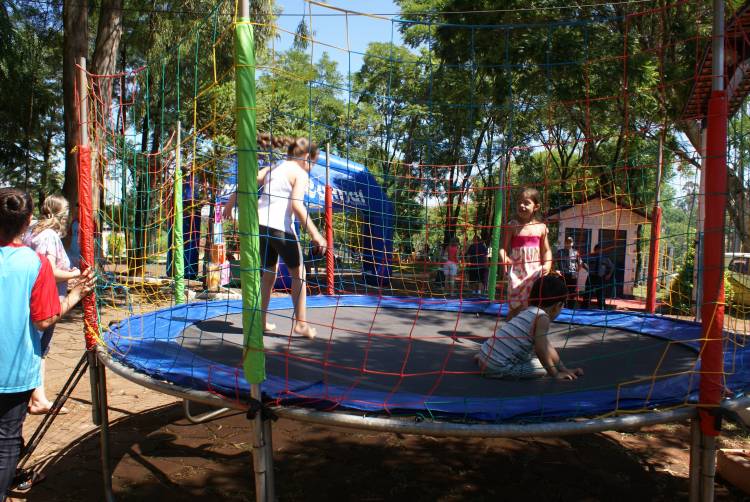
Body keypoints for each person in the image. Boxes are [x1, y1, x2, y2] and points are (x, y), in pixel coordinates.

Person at [0, 188, 96, 500]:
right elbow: (44, 320)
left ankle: (13, 473)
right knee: (7, 439)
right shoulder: (36, 263)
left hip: (14, 372)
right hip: (13, 372)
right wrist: (74, 295)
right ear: (28, 219)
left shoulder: (36, 259)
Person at [256, 137, 327, 339]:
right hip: (279, 228)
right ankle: (301, 324)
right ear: (306, 157)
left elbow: (254, 177)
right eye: (313, 163)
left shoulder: (274, 168)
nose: (311, 167)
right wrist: (316, 234)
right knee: (299, 274)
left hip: (260, 225)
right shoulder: (299, 173)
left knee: (268, 274)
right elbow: (297, 205)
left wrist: (232, 200)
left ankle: (261, 321)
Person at [22, 195, 80, 415]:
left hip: (35, 297)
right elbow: (48, 272)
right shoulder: (48, 235)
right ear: (62, 214)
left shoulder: (33, 230)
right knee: (38, 349)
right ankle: (35, 400)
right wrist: (74, 274)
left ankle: (37, 398)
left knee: (39, 349)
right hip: (46, 300)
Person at [476, 274, 584, 380]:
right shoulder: (542, 318)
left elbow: (547, 347)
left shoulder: (527, 310)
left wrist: (564, 369)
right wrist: (555, 374)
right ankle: (493, 366)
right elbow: (541, 349)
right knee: (542, 367)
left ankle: (487, 360)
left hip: (484, 355)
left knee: (540, 358)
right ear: (557, 306)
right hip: (497, 367)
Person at [498, 187, 553, 320]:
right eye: (519, 203)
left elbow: (547, 250)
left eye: (526, 203)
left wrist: (547, 264)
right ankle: (509, 329)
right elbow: (502, 248)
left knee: (531, 306)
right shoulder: (512, 226)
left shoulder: (541, 228)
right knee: (514, 306)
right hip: (517, 272)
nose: (522, 206)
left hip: (534, 273)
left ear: (536, 207)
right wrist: (505, 258)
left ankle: (528, 330)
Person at [555, 236, 587, 308]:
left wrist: (577, 271)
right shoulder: (560, 252)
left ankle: (570, 308)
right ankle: (561, 307)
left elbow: (580, 263)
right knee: (562, 292)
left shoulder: (575, 252)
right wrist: (556, 270)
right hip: (562, 274)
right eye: (567, 242)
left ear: (572, 243)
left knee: (572, 293)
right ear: (565, 243)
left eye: (570, 242)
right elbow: (553, 261)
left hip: (572, 275)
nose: (568, 244)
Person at [584, 243, 614, 309]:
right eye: (597, 250)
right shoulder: (590, 257)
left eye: (600, 250)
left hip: (600, 277)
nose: (599, 251)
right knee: (587, 293)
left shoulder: (605, 258)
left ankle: (602, 308)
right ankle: (584, 307)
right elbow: (583, 263)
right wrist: (587, 269)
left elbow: (612, 267)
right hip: (591, 277)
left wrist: (609, 275)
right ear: (595, 250)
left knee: (600, 294)